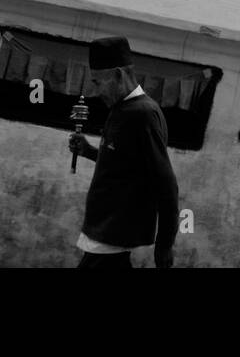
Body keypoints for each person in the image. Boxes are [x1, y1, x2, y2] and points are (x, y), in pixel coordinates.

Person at [69, 37, 179, 268]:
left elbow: (166, 184)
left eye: (99, 82)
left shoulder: (143, 114)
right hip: (105, 228)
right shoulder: (121, 109)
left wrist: (165, 244)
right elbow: (126, 164)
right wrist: (89, 151)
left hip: (115, 230)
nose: (96, 91)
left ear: (119, 74)